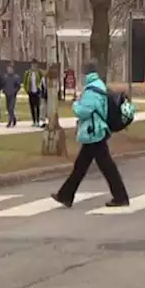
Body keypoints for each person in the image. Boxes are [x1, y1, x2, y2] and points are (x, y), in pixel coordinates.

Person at [52, 63, 130, 208]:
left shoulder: (91, 90)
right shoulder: (98, 85)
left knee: (105, 167)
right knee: (82, 166)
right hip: (96, 131)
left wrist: (75, 104)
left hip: (94, 132)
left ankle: (121, 197)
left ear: (86, 74)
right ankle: (65, 195)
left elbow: (84, 111)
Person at [23, 60, 49, 127]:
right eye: (32, 65)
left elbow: (44, 76)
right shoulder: (28, 73)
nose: (34, 66)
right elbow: (25, 82)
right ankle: (34, 121)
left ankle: (38, 120)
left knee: (37, 106)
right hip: (30, 91)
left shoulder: (39, 72)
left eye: (35, 65)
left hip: (37, 91)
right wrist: (26, 90)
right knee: (31, 106)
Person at [2, 63, 21, 127]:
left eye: (10, 69)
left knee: (11, 108)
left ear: (13, 69)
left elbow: (18, 86)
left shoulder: (16, 77)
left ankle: (10, 121)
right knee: (8, 108)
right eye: (8, 69)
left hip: (13, 95)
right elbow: (3, 84)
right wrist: (4, 90)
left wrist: (14, 91)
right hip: (7, 94)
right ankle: (14, 118)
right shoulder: (5, 76)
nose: (9, 70)